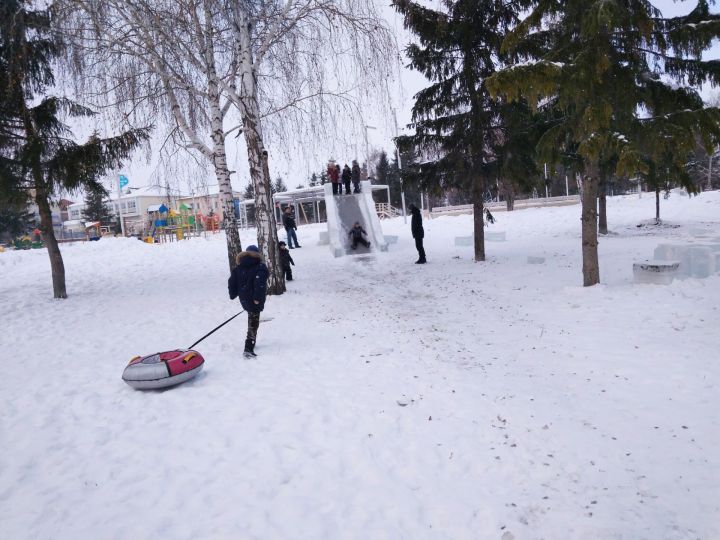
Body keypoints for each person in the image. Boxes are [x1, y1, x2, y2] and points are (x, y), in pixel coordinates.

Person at [228, 245, 269, 357]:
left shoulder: (238, 267)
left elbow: (232, 282)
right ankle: (248, 348)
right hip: (255, 300)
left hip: (244, 299)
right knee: (253, 322)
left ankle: (252, 342)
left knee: (252, 319)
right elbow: (259, 284)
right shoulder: (260, 267)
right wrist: (257, 298)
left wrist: (233, 294)